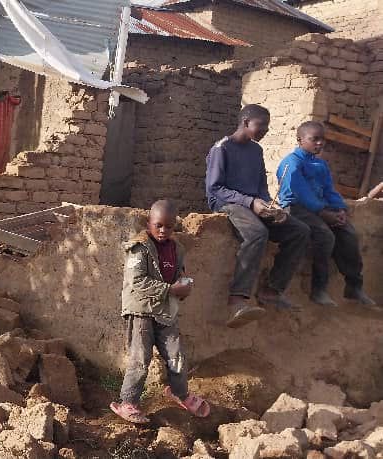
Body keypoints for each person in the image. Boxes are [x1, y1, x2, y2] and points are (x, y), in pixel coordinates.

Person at [205, 104, 311, 328]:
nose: (265, 131)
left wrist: (271, 206)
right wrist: (249, 202)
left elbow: (261, 186)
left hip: (252, 204)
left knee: (299, 230)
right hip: (227, 204)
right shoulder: (221, 149)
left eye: (267, 127)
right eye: (261, 126)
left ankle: (271, 290)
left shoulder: (256, 151)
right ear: (245, 123)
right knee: (256, 233)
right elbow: (215, 188)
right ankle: (237, 299)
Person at [110, 200, 210, 424]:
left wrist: (184, 286)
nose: (163, 230)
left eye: (169, 226)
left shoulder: (177, 249)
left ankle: (179, 393)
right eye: (158, 225)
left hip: (165, 312)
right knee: (140, 359)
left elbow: (179, 275)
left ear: (175, 226)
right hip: (141, 310)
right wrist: (170, 289)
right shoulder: (140, 247)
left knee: (177, 357)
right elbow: (137, 282)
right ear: (149, 224)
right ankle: (128, 402)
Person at [276, 121, 375, 307]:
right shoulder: (292, 162)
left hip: (320, 209)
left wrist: (340, 209)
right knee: (325, 236)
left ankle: (354, 286)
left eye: (323, 140)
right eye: (315, 139)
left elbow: (329, 190)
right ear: (300, 140)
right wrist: (323, 213)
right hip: (296, 208)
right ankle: (318, 289)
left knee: (349, 234)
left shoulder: (320, 164)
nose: (320, 143)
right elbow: (300, 192)